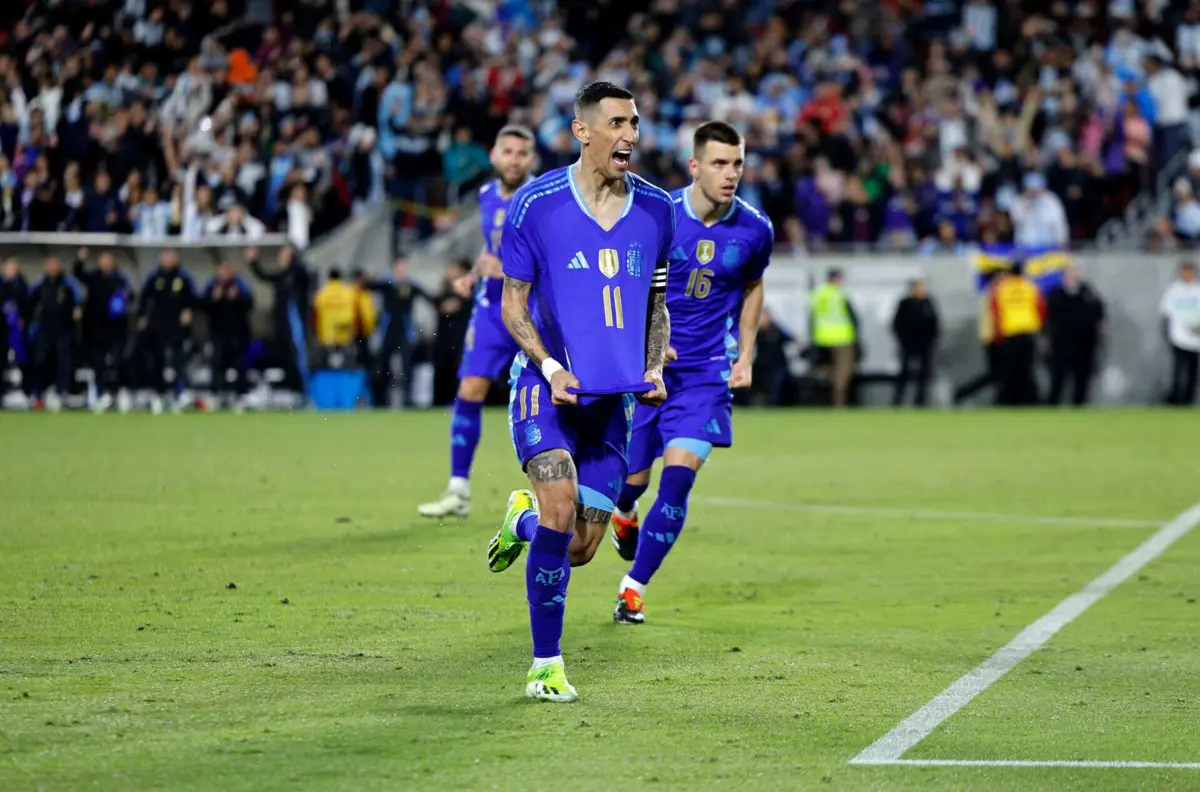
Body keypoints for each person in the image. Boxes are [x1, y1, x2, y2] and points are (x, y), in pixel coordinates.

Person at [482, 82, 674, 702]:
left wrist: (653, 370)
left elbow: (655, 302)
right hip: (548, 391)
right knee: (562, 511)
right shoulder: (536, 204)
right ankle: (545, 664)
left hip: (612, 402)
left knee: (585, 548)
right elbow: (513, 303)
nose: (631, 136)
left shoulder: (657, 210)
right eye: (618, 123)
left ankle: (524, 518)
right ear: (582, 131)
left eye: (636, 123)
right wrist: (546, 365)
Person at [601, 121, 773, 625]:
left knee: (676, 483)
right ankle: (625, 510)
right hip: (647, 371)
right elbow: (623, 280)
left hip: (705, 375)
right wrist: (645, 341)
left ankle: (633, 588)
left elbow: (753, 287)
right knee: (631, 482)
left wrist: (745, 357)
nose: (731, 174)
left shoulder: (755, 228)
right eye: (719, 163)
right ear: (694, 166)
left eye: (737, 163)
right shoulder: (657, 214)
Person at [418, 126, 536, 518]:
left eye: (522, 153)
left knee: (552, 393)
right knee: (470, 390)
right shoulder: (486, 195)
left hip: (532, 308)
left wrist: (499, 268)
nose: (515, 159)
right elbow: (491, 250)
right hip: (490, 305)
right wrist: (474, 273)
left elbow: (546, 261)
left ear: (531, 159)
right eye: (508, 151)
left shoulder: (540, 199)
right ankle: (458, 489)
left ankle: (568, 486)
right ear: (494, 155)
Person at [363, 257, 431, 408]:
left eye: (403, 266)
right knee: (383, 366)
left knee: (407, 367)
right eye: (399, 266)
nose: (401, 269)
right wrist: (369, 276)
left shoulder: (411, 285)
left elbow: (429, 298)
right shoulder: (387, 284)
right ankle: (381, 401)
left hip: (405, 333)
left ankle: (408, 401)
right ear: (394, 267)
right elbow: (368, 286)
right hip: (387, 332)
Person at [246, 245, 312, 397]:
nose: (279, 258)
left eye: (283, 254)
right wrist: (253, 262)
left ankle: (305, 392)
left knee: (298, 357)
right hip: (281, 327)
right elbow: (264, 276)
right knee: (285, 357)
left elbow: (304, 278)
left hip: (295, 328)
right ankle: (293, 390)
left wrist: (296, 257)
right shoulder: (282, 277)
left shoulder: (297, 275)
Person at [136, 250, 197, 414]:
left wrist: (188, 310)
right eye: (165, 257)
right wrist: (142, 316)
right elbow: (144, 297)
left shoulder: (184, 277)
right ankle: (159, 392)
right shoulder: (154, 277)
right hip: (157, 325)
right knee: (155, 359)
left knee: (179, 360)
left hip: (177, 326)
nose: (167, 260)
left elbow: (192, 297)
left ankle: (180, 392)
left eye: (170, 257)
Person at [73, 248, 133, 412]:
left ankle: (117, 392)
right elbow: (78, 273)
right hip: (95, 328)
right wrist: (80, 260)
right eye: (103, 260)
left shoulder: (120, 280)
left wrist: (125, 297)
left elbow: (130, 295)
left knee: (118, 361)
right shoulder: (94, 278)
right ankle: (98, 394)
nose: (105, 264)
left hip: (115, 329)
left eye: (108, 260)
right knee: (97, 362)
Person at [1045, 263, 1105, 406]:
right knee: (1058, 376)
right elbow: (1048, 318)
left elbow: (1099, 313)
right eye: (1070, 272)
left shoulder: (1087, 292)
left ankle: (1079, 404)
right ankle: (1053, 405)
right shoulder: (1056, 294)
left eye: (1075, 271)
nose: (1073, 274)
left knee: (1082, 376)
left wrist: (1098, 333)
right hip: (1062, 342)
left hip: (1084, 342)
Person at [988, 259, 1046, 406]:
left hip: (1009, 334)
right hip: (1027, 334)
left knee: (1008, 372)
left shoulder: (1001, 288)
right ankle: (1028, 402)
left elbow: (995, 312)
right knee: (1026, 371)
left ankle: (1005, 403)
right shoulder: (1031, 287)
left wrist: (997, 336)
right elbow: (1041, 310)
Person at [28, 256, 82, 412]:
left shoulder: (68, 283)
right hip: (45, 328)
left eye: (54, 265)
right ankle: (37, 394)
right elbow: (30, 302)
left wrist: (78, 308)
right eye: (49, 265)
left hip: (64, 328)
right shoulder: (40, 283)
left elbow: (79, 298)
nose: (52, 268)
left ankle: (62, 393)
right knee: (40, 361)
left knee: (63, 361)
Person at [202, 260, 255, 410]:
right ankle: (216, 395)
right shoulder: (212, 285)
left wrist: (237, 298)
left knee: (240, 366)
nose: (224, 274)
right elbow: (202, 306)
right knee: (217, 364)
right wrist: (214, 299)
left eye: (227, 270)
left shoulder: (240, 285)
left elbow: (250, 304)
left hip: (239, 334)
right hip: (218, 334)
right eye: (221, 271)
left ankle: (240, 397)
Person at [810, 268, 859, 407]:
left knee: (827, 370)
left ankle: (825, 398)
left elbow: (812, 317)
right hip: (842, 338)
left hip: (822, 338)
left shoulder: (818, 293)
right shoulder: (839, 293)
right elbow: (852, 317)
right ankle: (838, 403)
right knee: (843, 373)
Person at [891, 277, 940, 407]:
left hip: (925, 345)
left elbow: (935, 324)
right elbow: (897, 324)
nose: (920, 290)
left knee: (924, 374)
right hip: (908, 344)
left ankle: (921, 401)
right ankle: (898, 401)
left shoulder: (928, 303)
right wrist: (903, 340)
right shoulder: (905, 303)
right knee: (904, 373)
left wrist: (931, 340)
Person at [1160, 260, 1200, 405]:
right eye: (1185, 271)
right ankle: (1176, 398)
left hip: (1196, 339)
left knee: (1193, 371)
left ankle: (1188, 399)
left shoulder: (1198, 290)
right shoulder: (1174, 290)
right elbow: (1166, 313)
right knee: (1178, 370)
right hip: (1178, 337)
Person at [1, 257, 30, 400]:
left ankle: (26, 392)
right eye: (7, 267)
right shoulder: (2, 286)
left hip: (18, 331)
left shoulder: (23, 286)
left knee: (23, 360)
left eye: (12, 267)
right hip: (3, 331)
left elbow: (27, 306)